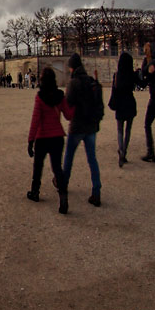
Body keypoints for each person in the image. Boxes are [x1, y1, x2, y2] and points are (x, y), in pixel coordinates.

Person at [60, 53, 102, 210]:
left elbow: (69, 103)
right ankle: (96, 191)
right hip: (91, 126)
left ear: (72, 67)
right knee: (92, 159)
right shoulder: (91, 81)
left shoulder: (74, 83)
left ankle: (63, 185)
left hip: (77, 125)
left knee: (69, 157)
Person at [26, 66, 68, 211]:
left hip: (43, 137)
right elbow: (69, 114)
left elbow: (35, 120)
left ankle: (35, 191)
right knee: (57, 167)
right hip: (57, 136)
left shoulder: (40, 97)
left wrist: (30, 140)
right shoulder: (60, 95)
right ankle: (63, 196)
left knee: (38, 166)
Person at [111, 51, 137, 168]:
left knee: (120, 131)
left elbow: (114, 90)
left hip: (120, 104)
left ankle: (121, 151)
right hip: (130, 103)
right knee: (128, 131)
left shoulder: (117, 75)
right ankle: (124, 152)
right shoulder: (132, 75)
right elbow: (140, 84)